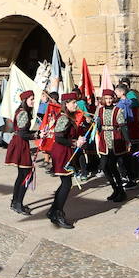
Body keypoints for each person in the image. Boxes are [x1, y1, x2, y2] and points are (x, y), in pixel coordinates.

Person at [46, 92, 87, 229]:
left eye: (75, 102)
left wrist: (78, 140)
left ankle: (54, 211)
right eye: (73, 102)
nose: (76, 104)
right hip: (62, 153)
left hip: (66, 152)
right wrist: (75, 143)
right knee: (66, 184)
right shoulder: (63, 118)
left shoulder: (68, 117)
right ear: (66, 104)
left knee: (65, 183)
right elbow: (58, 138)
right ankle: (57, 214)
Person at [95, 87, 129, 203]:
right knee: (104, 166)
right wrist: (96, 123)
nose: (109, 100)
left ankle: (121, 191)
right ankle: (115, 189)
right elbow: (98, 128)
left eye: (110, 98)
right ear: (103, 99)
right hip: (104, 141)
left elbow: (123, 127)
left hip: (116, 141)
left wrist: (127, 141)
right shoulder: (100, 110)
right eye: (106, 98)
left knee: (114, 167)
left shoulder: (118, 110)